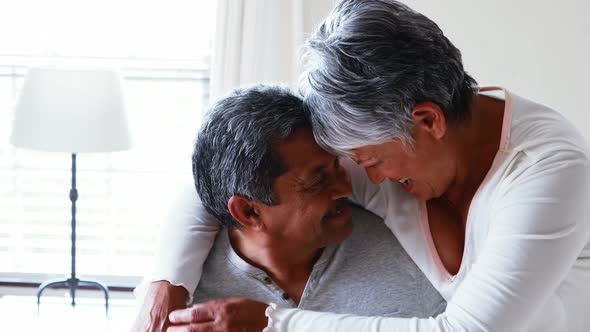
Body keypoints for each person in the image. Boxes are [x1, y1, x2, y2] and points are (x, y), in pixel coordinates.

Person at [142, 0, 590, 331]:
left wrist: (273, 323)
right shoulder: (395, 143)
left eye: (369, 160)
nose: (366, 178)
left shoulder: (550, 170)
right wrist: (169, 281)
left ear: (427, 120)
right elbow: (227, 179)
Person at [131, 86, 446, 331]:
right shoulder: (182, 301)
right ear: (249, 212)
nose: (346, 188)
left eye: (338, 167)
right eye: (317, 181)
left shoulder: (408, 258)